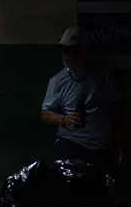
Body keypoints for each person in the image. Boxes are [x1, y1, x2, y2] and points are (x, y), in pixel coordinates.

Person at [41, 26, 121, 165]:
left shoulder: (103, 75)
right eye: (64, 50)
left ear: (84, 51)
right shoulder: (58, 81)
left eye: (71, 50)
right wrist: (65, 119)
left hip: (101, 145)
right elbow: (45, 114)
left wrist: (120, 142)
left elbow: (117, 109)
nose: (66, 55)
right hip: (72, 142)